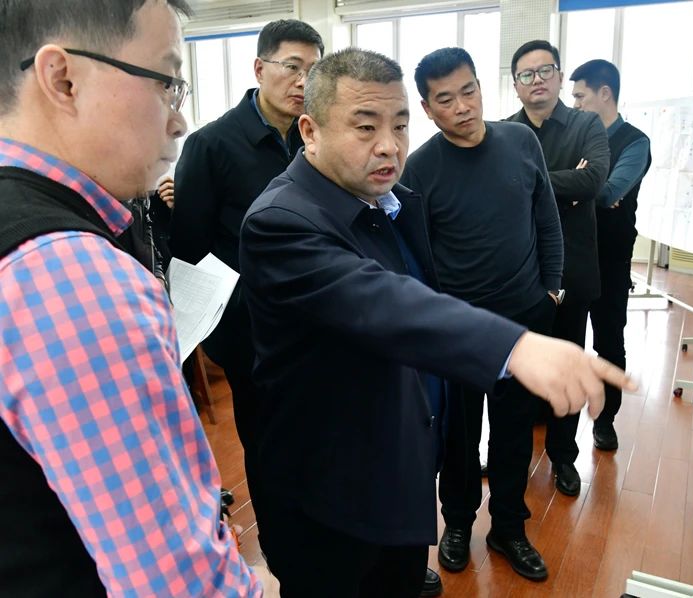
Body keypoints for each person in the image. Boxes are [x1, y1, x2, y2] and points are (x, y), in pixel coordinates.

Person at [238, 47, 635, 597]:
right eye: (365, 127)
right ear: (310, 130)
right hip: (335, 494)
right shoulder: (281, 220)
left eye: (399, 126)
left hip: (399, 471)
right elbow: (384, 301)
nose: (388, 145)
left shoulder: (390, 198)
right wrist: (515, 346)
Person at [0, 1, 260, 595]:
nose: (179, 120)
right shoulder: (73, 279)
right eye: (167, 82)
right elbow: (179, 583)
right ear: (63, 79)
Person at [400, 47, 563, 582]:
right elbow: (417, 255)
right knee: (459, 437)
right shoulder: (420, 169)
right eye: (445, 100)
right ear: (428, 110)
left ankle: (509, 527)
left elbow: (547, 217)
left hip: (522, 322)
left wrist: (552, 290)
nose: (462, 107)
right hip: (459, 331)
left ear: (480, 86)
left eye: (468, 91)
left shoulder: (521, 142)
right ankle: (457, 522)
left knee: (514, 432)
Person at [171, 18, 323, 503]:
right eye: (292, 67)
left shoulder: (316, 140)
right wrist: (230, 324)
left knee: (320, 439)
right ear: (260, 68)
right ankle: (280, 542)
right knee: (267, 445)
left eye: (313, 71)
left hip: (316, 320)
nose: (303, 82)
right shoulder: (211, 144)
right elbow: (189, 248)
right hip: (251, 332)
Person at [505, 40, 611, 497]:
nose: (537, 80)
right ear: (516, 85)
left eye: (545, 70)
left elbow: (592, 181)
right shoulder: (503, 132)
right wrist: (563, 181)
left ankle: (563, 457)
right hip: (519, 271)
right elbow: (497, 190)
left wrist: (530, 180)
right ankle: (510, 458)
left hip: (571, 267)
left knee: (567, 364)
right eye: (526, 74)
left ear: (560, 76)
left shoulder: (586, 124)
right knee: (518, 369)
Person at [570, 59, 651, 450]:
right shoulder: (575, 135)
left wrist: (583, 181)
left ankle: (605, 420)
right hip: (571, 255)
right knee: (565, 339)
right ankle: (554, 414)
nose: (575, 104)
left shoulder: (635, 142)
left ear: (604, 93)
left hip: (611, 258)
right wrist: (583, 183)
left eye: (580, 96)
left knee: (608, 341)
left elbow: (607, 193)